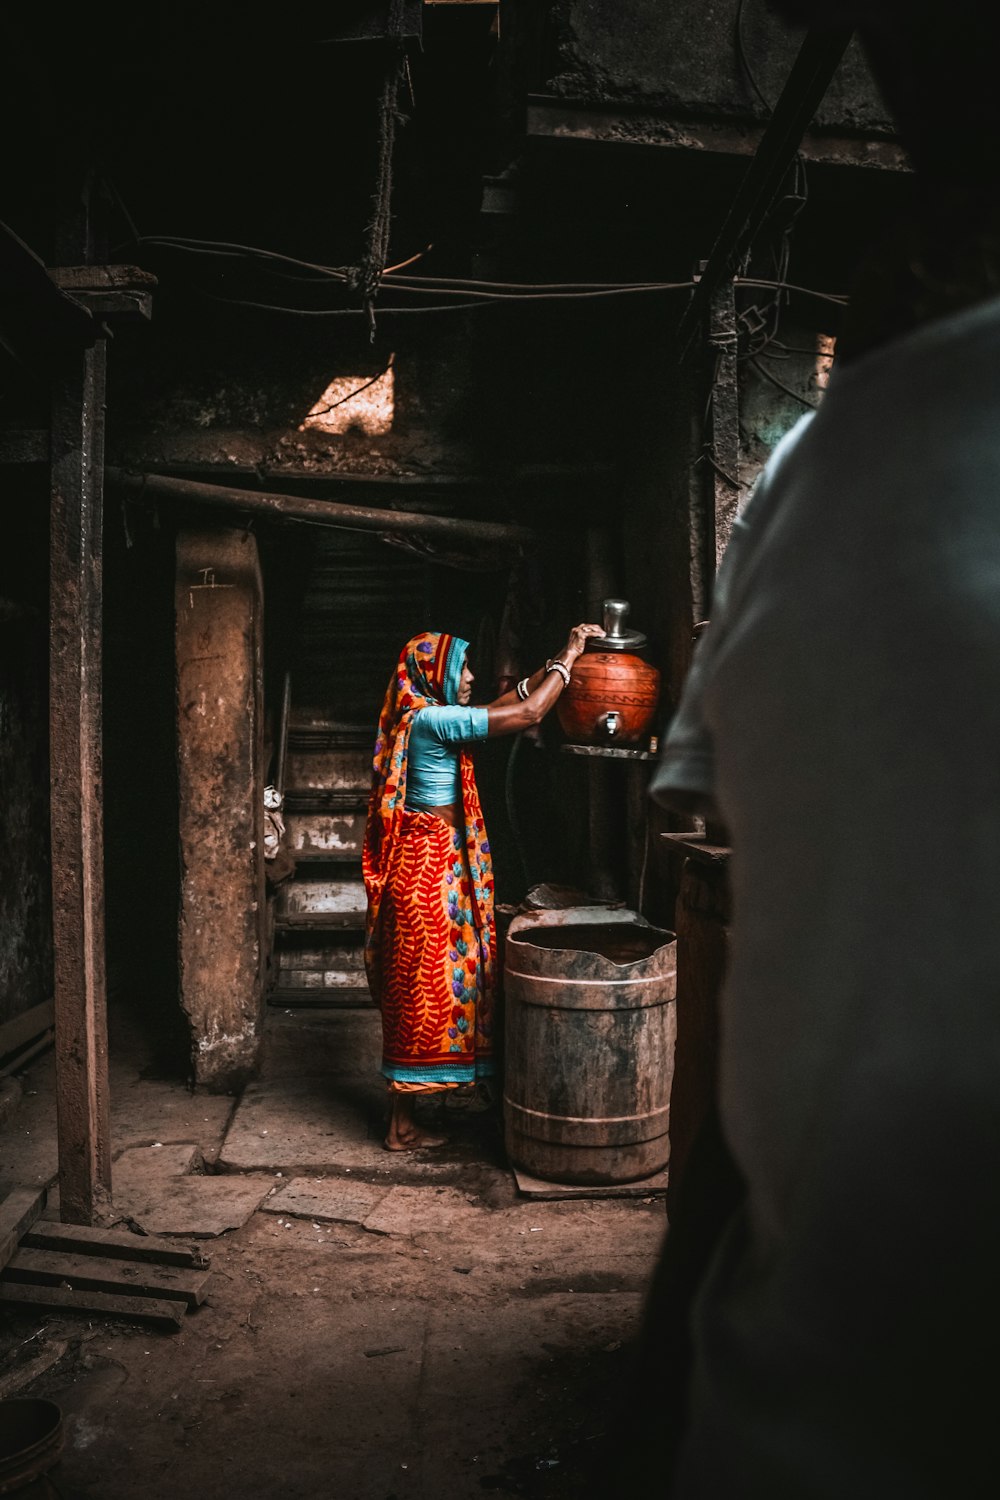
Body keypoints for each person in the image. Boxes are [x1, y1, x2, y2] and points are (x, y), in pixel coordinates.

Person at [631, 3, 1000, 1495]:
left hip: (782, 1425)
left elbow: (749, 948)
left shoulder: (808, 471)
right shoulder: (823, 469)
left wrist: (660, 1373)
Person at [363, 622, 603, 1151]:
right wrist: (571, 654)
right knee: (423, 991)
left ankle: (408, 1116)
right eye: (461, 668)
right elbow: (527, 713)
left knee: (429, 988)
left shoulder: (422, 716)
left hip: (431, 869)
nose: (469, 677)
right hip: (427, 875)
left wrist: (552, 660)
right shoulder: (431, 721)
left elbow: (508, 699)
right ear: (435, 676)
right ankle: (400, 1126)